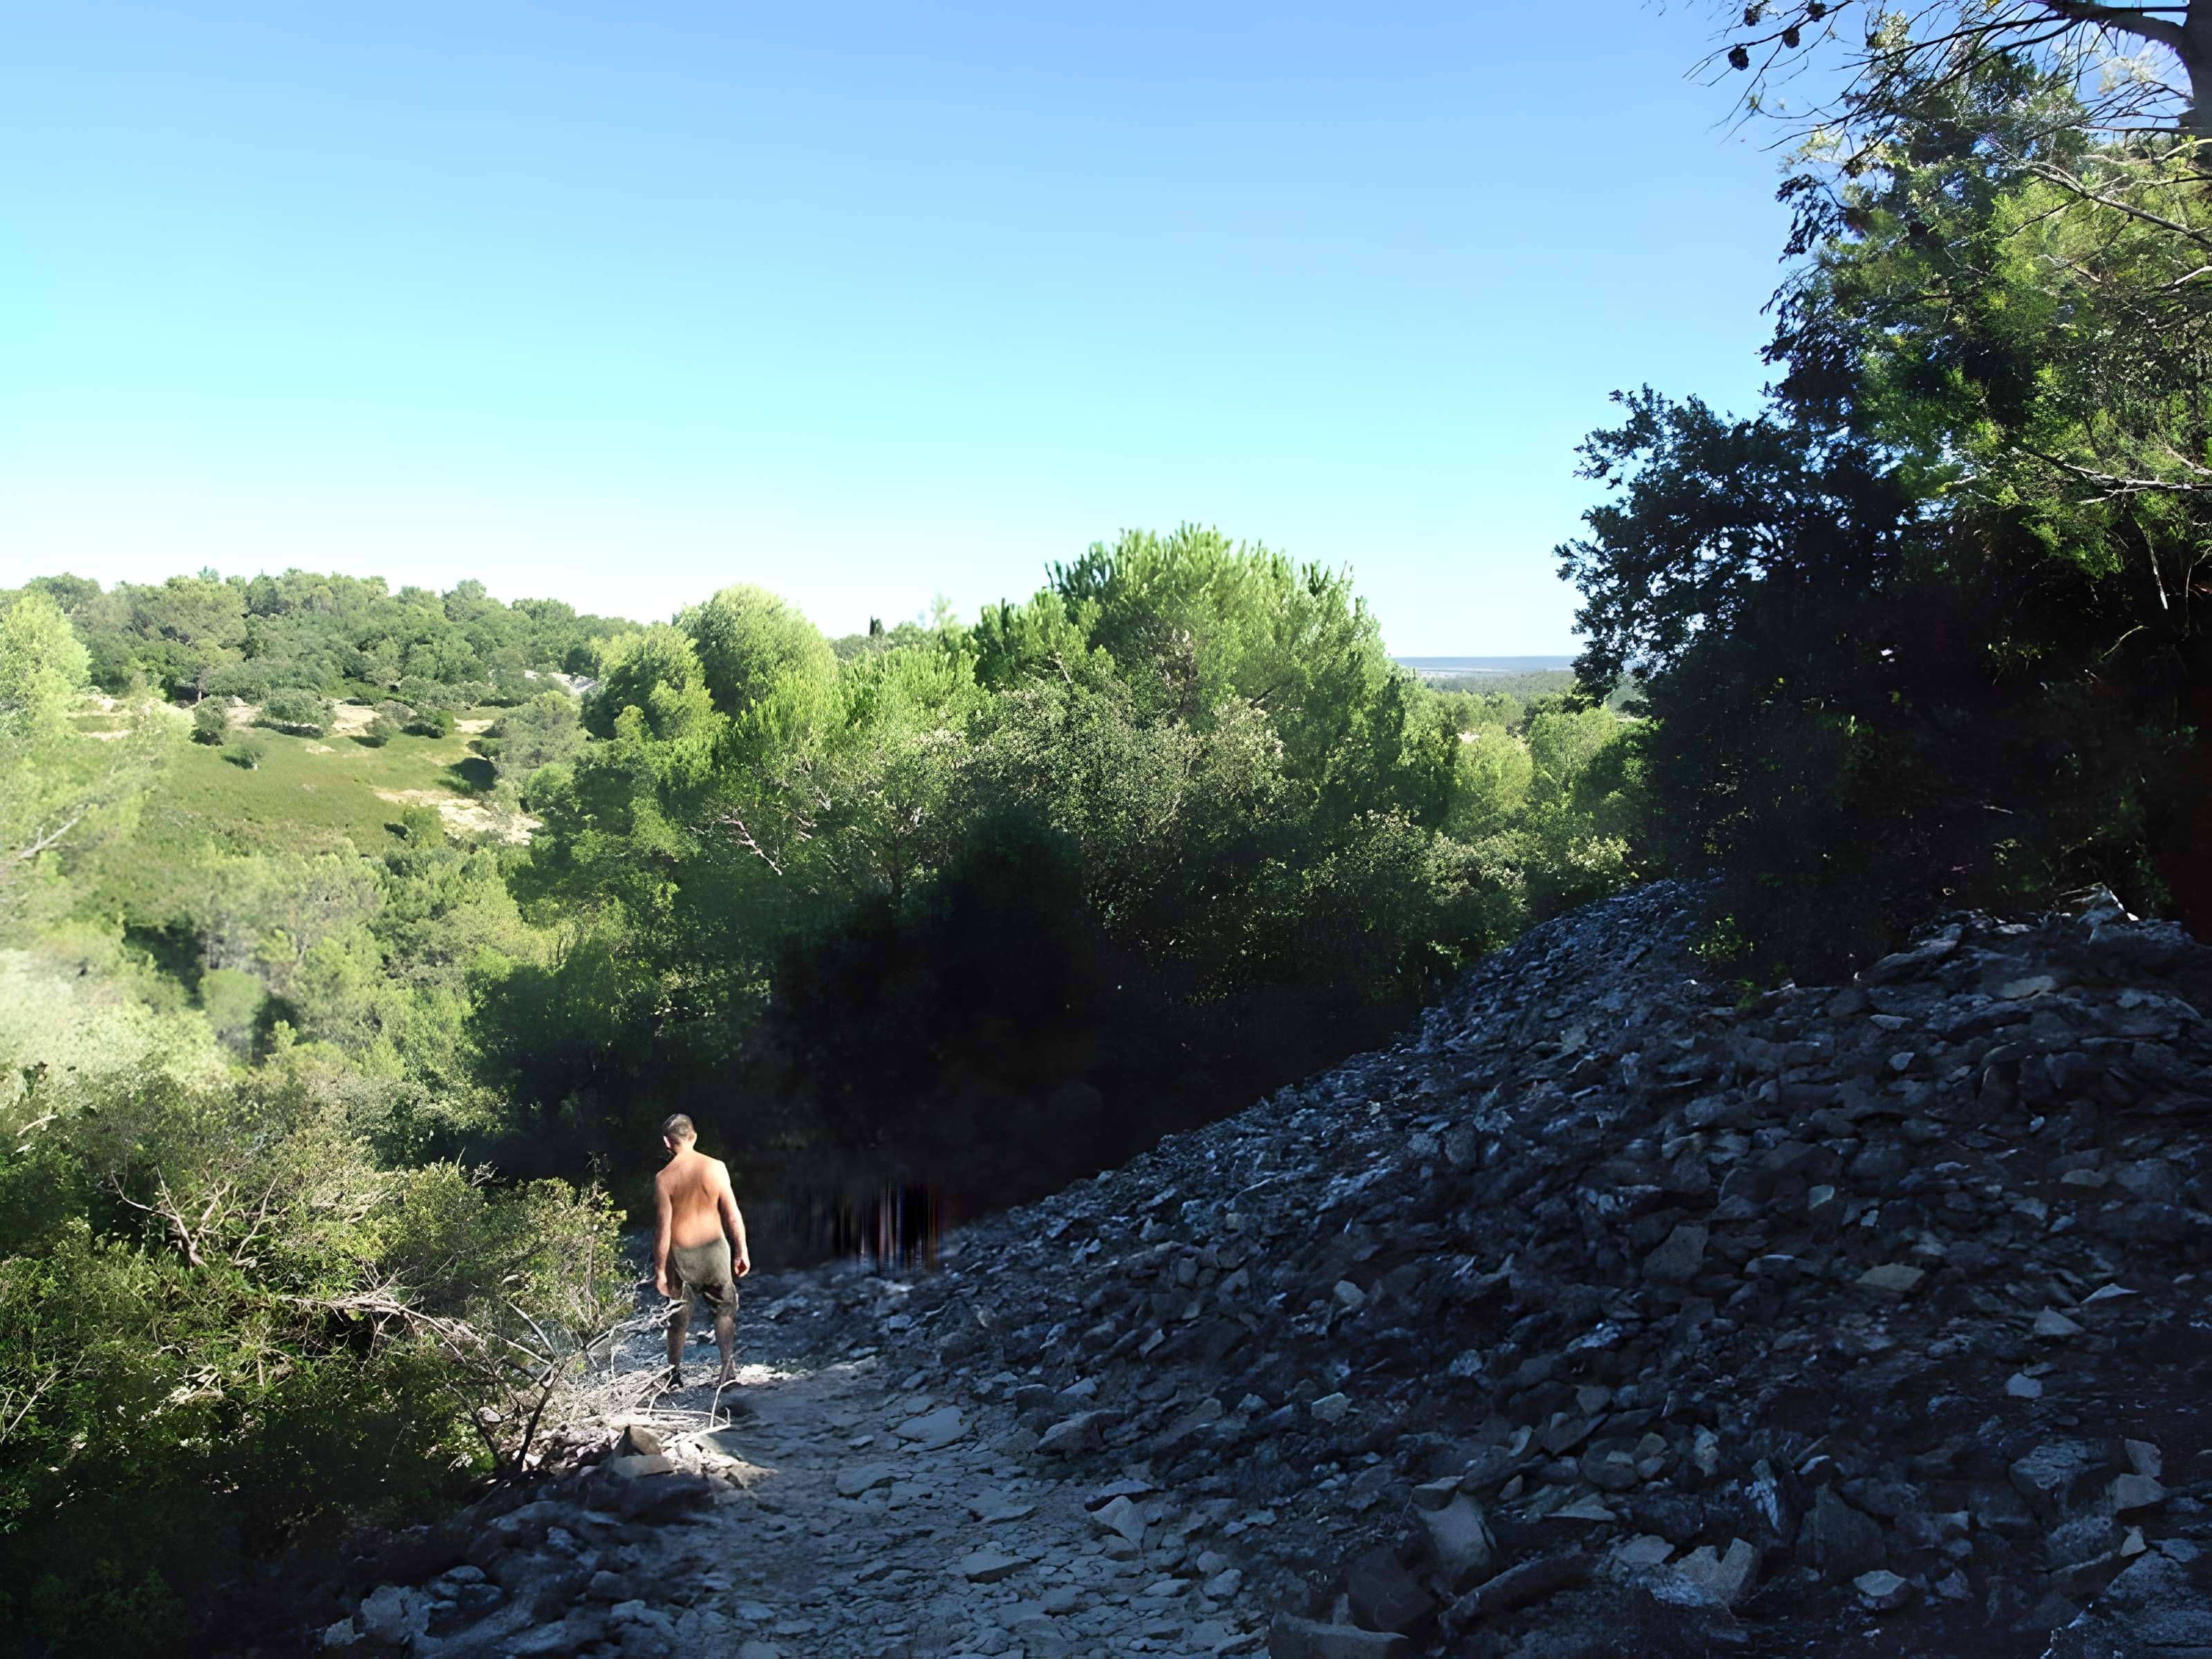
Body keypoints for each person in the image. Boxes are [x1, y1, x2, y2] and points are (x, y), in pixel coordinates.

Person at [651, 1113, 750, 1388]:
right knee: (725, 1310)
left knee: (678, 1318)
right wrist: (741, 1250)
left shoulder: (664, 1178)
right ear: (694, 1136)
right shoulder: (716, 1167)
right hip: (716, 1251)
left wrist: (660, 1271)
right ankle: (728, 1370)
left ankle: (674, 1374)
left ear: (667, 1142)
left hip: (682, 1255)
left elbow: (663, 1230)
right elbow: (732, 1214)